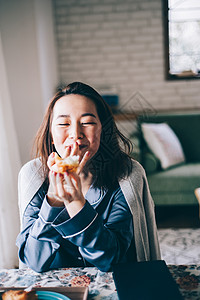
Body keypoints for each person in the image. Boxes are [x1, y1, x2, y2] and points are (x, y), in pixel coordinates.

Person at [16, 82, 161, 273]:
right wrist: (54, 199)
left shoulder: (127, 174)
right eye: (63, 124)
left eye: (87, 122)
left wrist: (76, 203)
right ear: (51, 134)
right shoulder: (34, 175)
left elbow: (111, 260)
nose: (76, 134)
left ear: (103, 129)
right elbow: (34, 261)